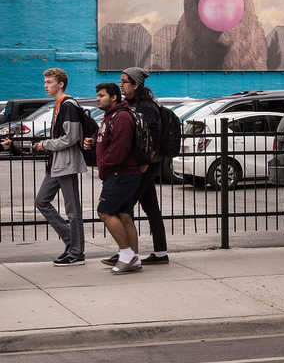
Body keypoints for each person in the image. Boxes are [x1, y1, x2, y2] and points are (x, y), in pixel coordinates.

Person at [1, 68, 87, 265]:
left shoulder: (68, 105)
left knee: (73, 210)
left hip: (66, 164)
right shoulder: (58, 105)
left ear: (61, 84)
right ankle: (71, 242)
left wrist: (45, 144)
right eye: (45, 82)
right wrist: (14, 144)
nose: (45, 85)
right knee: (42, 201)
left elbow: (71, 137)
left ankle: (76, 253)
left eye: (49, 82)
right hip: (56, 164)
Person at [101, 68, 169, 267]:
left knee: (123, 207)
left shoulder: (146, 106)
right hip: (140, 165)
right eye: (121, 81)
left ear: (136, 84)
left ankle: (127, 253)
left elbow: (153, 137)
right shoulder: (130, 105)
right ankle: (159, 252)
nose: (121, 85)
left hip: (144, 166)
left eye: (124, 81)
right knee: (151, 209)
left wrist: (146, 163)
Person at [91, 82, 145, 274]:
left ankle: (126, 254)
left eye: (102, 95)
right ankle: (135, 259)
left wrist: (105, 165)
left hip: (120, 174)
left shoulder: (121, 117)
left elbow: (119, 149)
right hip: (123, 173)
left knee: (105, 212)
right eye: (97, 95)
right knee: (124, 215)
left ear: (114, 97)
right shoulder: (111, 116)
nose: (98, 98)